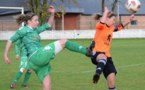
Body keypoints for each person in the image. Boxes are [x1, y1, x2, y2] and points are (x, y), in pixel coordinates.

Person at [3, 6, 91, 90]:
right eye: (36, 20)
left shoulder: (35, 30)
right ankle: (86, 51)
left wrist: (52, 14)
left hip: (36, 63)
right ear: (29, 21)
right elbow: (10, 40)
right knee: (64, 42)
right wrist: (5, 55)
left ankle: (88, 51)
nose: (38, 22)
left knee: (47, 85)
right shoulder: (23, 30)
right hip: (36, 55)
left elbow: (48, 24)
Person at [90, 7, 134, 90]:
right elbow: (102, 22)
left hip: (107, 56)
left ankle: (101, 77)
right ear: (107, 18)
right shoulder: (100, 26)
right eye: (113, 19)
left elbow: (120, 27)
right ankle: (97, 74)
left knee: (112, 82)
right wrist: (106, 12)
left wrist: (129, 19)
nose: (114, 22)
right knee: (103, 57)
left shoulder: (111, 28)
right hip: (97, 53)